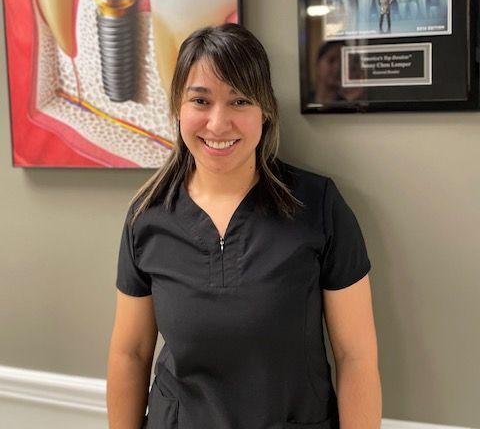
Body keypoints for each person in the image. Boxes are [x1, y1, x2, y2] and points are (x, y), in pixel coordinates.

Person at [107, 23, 381, 429]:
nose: (218, 124)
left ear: (265, 111)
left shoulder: (318, 206)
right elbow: (129, 353)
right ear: (178, 108)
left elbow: (355, 356)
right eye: (200, 100)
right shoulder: (146, 217)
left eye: (239, 101)